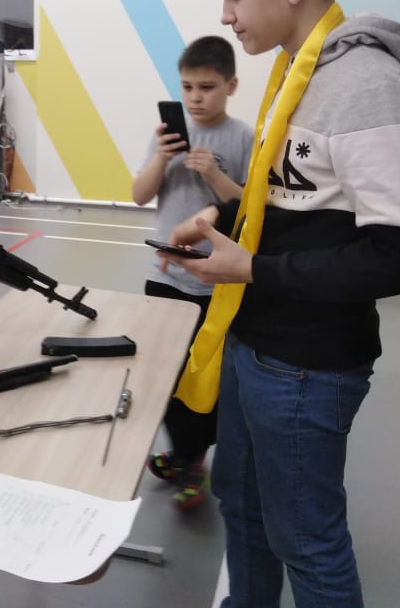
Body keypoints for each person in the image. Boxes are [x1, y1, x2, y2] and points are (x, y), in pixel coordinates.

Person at [159, 0, 400, 606]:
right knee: (243, 506)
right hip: (253, 340)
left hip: (307, 365)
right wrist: (219, 215)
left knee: (308, 541)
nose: (225, 16)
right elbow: (289, 200)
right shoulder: (296, 71)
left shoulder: (368, 88)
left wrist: (252, 267)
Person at [133, 36, 253, 511]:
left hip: (214, 279)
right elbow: (139, 195)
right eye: (187, 87)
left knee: (203, 379)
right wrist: (162, 158)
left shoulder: (242, 137)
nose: (196, 97)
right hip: (163, 275)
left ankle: (193, 458)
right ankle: (184, 452)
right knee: (161, 374)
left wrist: (213, 175)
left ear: (231, 85)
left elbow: (250, 206)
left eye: (207, 87)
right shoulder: (167, 134)